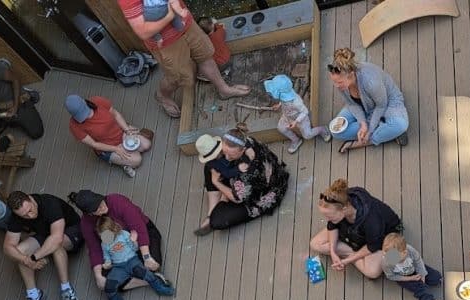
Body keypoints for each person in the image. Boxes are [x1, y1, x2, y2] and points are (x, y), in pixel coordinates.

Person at [118, 0, 250, 118]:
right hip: (167, 43)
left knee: (205, 56)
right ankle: (162, 96)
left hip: (187, 25)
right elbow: (143, 32)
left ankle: (224, 90)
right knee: (177, 77)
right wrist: (170, 15)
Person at [192, 124, 290, 236]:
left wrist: (216, 182)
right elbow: (228, 158)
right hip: (241, 181)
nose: (227, 158)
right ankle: (211, 212)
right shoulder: (244, 140)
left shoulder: (248, 172)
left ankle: (219, 205)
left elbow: (237, 198)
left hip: (260, 194)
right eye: (225, 152)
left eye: (231, 155)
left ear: (242, 150)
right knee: (211, 164)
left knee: (217, 221)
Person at [3, 191, 84, 300]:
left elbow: (56, 238)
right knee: (20, 252)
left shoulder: (49, 204)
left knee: (56, 245)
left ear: (30, 199)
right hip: (45, 234)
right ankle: (33, 294)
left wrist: (34, 257)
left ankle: (66, 288)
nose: (30, 216)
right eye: (24, 215)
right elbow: (7, 247)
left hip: (70, 231)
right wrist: (25, 259)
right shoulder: (17, 216)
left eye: (30, 210)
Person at [68, 189, 168, 293]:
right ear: (90, 214)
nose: (102, 206)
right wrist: (98, 276)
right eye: (97, 208)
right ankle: (150, 280)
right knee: (105, 282)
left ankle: (142, 275)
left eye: (101, 202)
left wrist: (146, 257)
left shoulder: (117, 201)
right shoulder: (86, 224)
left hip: (138, 237)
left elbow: (138, 227)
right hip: (117, 253)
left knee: (153, 263)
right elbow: (94, 249)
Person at [309, 179, 402, 279]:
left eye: (329, 216)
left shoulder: (372, 221)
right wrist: (333, 252)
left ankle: (351, 253)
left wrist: (348, 260)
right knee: (315, 244)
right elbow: (332, 225)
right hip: (353, 232)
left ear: (344, 209)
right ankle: (355, 253)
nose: (327, 219)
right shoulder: (340, 199)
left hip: (380, 237)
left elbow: (372, 246)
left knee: (372, 272)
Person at [327, 47, 409, 152]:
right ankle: (385, 130)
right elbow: (351, 104)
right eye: (334, 82)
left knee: (401, 125)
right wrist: (363, 123)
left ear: (351, 75)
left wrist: (369, 131)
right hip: (363, 106)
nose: (336, 86)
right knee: (335, 130)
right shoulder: (342, 84)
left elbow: (381, 105)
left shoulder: (371, 82)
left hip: (387, 103)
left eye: (339, 82)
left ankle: (365, 141)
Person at [96, 216, 175, 300]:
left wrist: (133, 241)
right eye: (102, 236)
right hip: (118, 267)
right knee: (109, 285)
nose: (104, 238)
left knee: (142, 272)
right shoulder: (104, 244)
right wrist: (107, 264)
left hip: (131, 260)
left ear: (113, 229)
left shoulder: (123, 234)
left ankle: (158, 286)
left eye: (106, 235)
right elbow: (106, 256)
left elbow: (135, 248)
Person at [381, 233, 464, 300]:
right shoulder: (387, 262)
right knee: (421, 290)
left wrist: (422, 274)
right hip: (404, 278)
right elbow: (391, 276)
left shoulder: (410, 250)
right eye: (387, 255)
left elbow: (418, 261)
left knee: (436, 278)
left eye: (395, 257)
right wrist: (410, 278)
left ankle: (432, 283)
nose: (391, 259)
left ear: (404, 252)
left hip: (416, 269)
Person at [65, 94, 154, 178]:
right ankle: (124, 163)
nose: (86, 117)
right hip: (109, 147)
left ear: (85, 102)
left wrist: (127, 130)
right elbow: (94, 144)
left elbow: (116, 115)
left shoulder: (97, 101)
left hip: (121, 132)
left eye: (86, 112)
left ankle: (126, 158)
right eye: (81, 116)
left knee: (146, 145)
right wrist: (116, 149)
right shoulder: (74, 126)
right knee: (137, 160)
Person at [264, 74, 330, 154]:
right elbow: (283, 100)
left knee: (307, 135)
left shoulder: (296, 102)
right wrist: (279, 105)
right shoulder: (284, 95)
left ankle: (322, 130)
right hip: (287, 117)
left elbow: (305, 111)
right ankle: (296, 140)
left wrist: (296, 122)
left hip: (300, 119)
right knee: (280, 128)